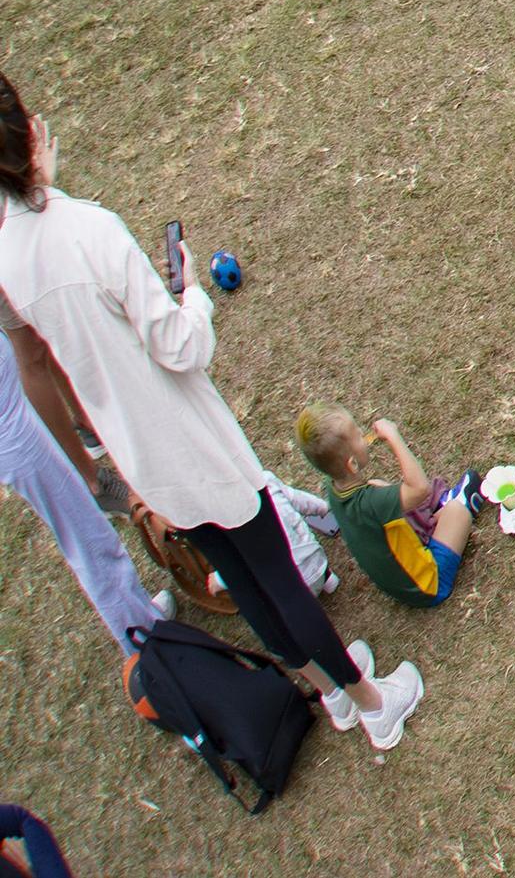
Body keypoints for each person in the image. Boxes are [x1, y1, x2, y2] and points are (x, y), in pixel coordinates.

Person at [0, 74, 427, 747]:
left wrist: (91, 461)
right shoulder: (90, 230)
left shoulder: (7, 259)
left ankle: (333, 694)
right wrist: (192, 290)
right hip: (189, 442)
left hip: (140, 456)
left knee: (248, 586)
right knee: (279, 576)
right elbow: (181, 345)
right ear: (27, 136)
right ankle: (375, 703)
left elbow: (38, 369)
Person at [2, 283, 168, 659]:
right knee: (86, 535)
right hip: (8, 426)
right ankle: (148, 643)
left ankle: (142, 623)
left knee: (83, 528)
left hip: (10, 407)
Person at [295, 406, 481, 611]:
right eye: (357, 435)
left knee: (377, 484)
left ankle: (434, 519)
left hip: (397, 577)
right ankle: (457, 504)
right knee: (458, 510)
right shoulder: (372, 503)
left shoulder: (333, 489)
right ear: (353, 465)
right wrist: (394, 437)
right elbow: (420, 488)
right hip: (428, 586)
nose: (362, 433)